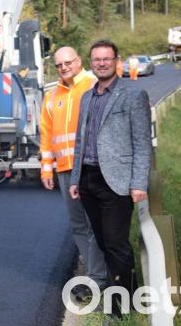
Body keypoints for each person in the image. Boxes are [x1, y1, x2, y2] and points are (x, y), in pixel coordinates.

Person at [69, 40, 151, 318]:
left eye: (106, 59)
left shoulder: (132, 95)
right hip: (89, 180)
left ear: (116, 61)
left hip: (116, 181)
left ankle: (121, 309)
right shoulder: (87, 97)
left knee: (116, 243)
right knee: (104, 243)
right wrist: (75, 179)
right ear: (90, 63)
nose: (101, 63)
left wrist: (139, 182)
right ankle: (131, 290)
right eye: (96, 59)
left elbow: (142, 144)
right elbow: (81, 141)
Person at [40, 46, 107, 303]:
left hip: (89, 168)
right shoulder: (52, 96)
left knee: (93, 224)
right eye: (59, 65)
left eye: (68, 62)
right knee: (78, 224)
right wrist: (47, 168)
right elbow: (46, 136)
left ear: (79, 61)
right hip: (65, 171)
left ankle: (98, 279)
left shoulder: (93, 86)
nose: (64, 67)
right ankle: (94, 275)